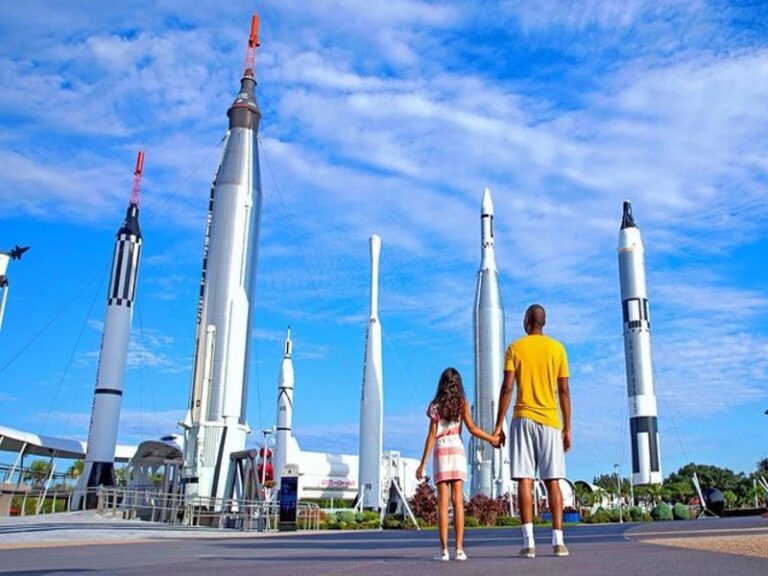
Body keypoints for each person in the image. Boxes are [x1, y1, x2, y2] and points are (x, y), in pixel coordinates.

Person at [493, 304, 571, 558]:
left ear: (527, 321)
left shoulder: (515, 348)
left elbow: (507, 389)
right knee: (553, 481)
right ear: (543, 322)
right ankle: (558, 542)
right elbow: (564, 391)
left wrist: (498, 425)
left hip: (523, 418)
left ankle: (529, 544)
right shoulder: (557, 349)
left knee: (525, 480)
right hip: (550, 420)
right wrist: (567, 427)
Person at [416, 367, 500, 561]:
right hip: (457, 450)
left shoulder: (435, 406)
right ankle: (460, 549)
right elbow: (471, 429)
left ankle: (444, 550)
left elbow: (431, 435)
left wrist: (422, 463)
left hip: (441, 451)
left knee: (443, 504)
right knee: (459, 502)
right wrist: (491, 439)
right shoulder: (461, 403)